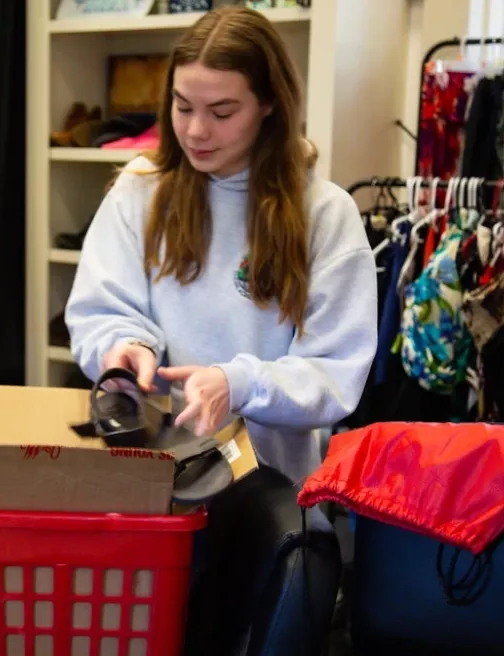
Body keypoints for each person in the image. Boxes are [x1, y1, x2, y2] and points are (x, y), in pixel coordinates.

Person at [64, 6, 378, 483]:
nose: (195, 131)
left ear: (269, 103)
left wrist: (240, 384)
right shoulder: (139, 190)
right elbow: (100, 311)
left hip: (271, 498)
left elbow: (334, 374)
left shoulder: (324, 214)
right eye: (183, 106)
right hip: (150, 484)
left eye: (222, 112)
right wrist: (122, 347)